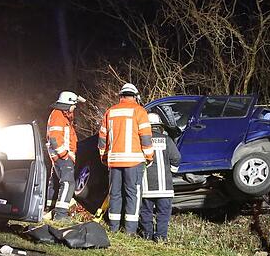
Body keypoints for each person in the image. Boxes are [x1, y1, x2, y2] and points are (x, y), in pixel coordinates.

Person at [98, 83, 153, 233]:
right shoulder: (139, 111)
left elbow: (102, 138)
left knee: (114, 194)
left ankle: (113, 228)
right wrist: (149, 156)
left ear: (121, 96)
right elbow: (146, 138)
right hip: (133, 161)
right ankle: (130, 230)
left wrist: (104, 157)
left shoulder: (110, 112)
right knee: (132, 195)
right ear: (135, 96)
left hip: (114, 161)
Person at [140, 112, 181, 241]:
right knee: (163, 214)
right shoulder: (167, 140)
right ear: (159, 126)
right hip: (165, 187)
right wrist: (172, 171)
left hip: (147, 187)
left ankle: (147, 235)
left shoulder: (141, 141)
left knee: (146, 212)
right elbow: (176, 157)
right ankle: (161, 237)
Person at [46, 90, 85, 220]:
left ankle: (49, 209)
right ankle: (60, 215)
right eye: (74, 105)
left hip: (59, 155)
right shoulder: (58, 116)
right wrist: (65, 154)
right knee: (68, 183)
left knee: (56, 182)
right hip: (61, 155)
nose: (75, 108)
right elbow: (54, 138)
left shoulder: (61, 115)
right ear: (68, 103)